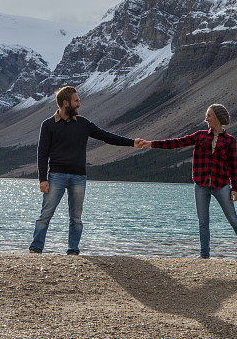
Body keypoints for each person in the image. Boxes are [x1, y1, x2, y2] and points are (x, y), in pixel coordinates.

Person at [28, 86, 148, 254]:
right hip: (56, 176)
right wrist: (42, 179)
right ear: (65, 103)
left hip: (79, 177)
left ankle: (73, 251)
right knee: (45, 215)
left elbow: (106, 136)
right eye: (76, 101)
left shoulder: (83, 124)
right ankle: (35, 249)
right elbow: (42, 154)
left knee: (76, 218)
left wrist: (132, 142)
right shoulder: (48, 125)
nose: (79, 104)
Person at [145, 104, 237, 260]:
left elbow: (233, 166)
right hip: (201, 185)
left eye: (209, 115)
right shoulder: (200, 135)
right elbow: (177, 143)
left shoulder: (230, 140)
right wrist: (151, 144)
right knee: (203, 222)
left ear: (217, 117)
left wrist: (234, 188)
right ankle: (204, 256)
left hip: (221, 185)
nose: (206, 118)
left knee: (233, 219)